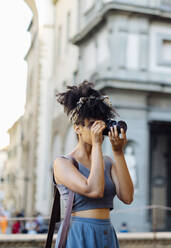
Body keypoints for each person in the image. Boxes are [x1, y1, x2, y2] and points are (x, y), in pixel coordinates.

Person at [53, 81, 134, 247]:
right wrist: (97, 145)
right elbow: (94, 190)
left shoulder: (108, 162)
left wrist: (118, 152)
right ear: (77, 129)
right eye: (91, 125)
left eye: (100, 124)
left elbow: (127, 197)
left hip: (106, 232)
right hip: (79, 234)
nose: (98, 129)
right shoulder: (63, 163)